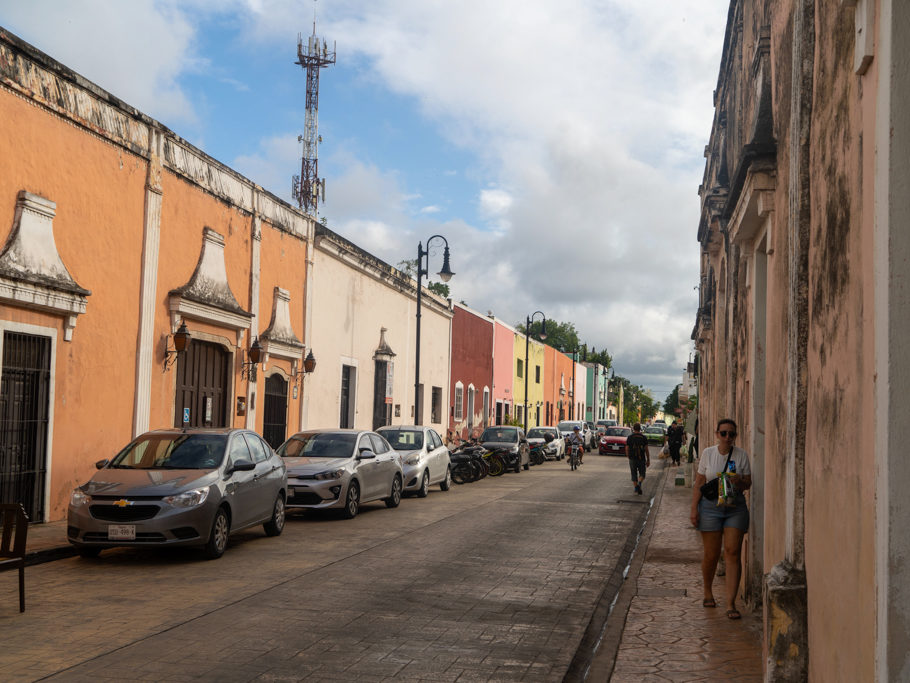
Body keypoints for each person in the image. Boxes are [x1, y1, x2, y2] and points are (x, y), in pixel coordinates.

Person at [689, 418, 752, 620]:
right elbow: (700, 481)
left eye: (731, 434)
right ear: (717, 434)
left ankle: (731, 603)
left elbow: (748, 483)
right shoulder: (708, 453)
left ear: (735, 436)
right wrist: (694, 509)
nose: (727, 437)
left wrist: (739, 480)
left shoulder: (741, 455)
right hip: (710, 507)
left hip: (735, 507)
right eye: (723, 433)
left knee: (733, 552)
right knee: (712, 554)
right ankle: (708, 591)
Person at [626, 423, 650, 494]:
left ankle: (636, 488)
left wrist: (628, 456)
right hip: (641, 458)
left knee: (633, 473)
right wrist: (648, 459)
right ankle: (639, 483)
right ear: (640, 429)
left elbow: (627, 448)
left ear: (633, 429)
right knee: (642, 473)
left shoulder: (630, 437)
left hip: (632, 458)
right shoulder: (643, 438)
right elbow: (646, 449)